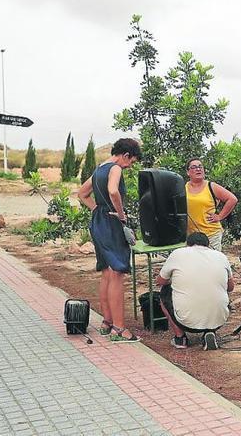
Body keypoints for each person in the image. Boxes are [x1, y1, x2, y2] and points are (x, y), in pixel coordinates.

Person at [78, 138, 142, 343]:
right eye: (131, 161)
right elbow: (114, 191)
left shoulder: (99, 168)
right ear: (126, 155)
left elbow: (82, 193)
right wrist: (120, 214)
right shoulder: (115, 169)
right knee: (117, 273)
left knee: (106, 271)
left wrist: (96, 209)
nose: (130, 166)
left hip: (98, 222)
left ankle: (107, 322)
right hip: (112, 222)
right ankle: (120, 329)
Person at [156, 232, 235, 350]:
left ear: (187, 245)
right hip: (219, 320)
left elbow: (160, 281)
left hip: (184, 321)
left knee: (164, 292)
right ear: (208, 245)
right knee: (215, 290)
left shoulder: (178, 253)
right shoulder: (221, 256)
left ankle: (180, 338)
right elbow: (230, 287)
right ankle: (210, 332)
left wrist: (175, 281)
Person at [184, 158, 238, 251]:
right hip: (191, 236)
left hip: (211, 234)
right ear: (188, 172)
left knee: (213, 263)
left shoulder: (211, 186)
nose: (198, 169)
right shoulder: (183, 187)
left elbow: (232, 199)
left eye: (200, 166)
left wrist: (220, 216)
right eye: (194, 167)